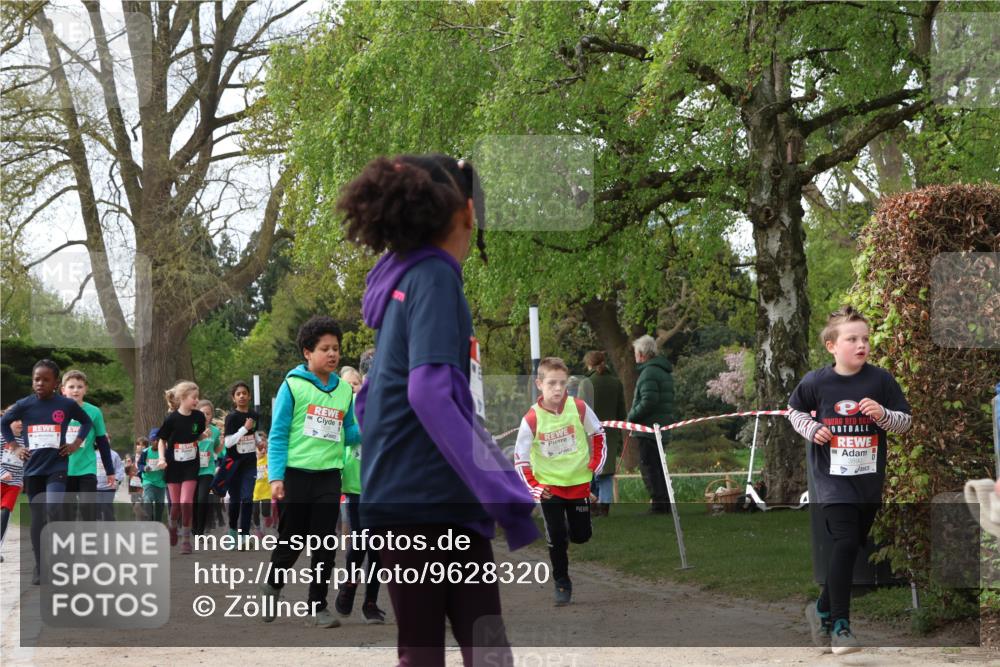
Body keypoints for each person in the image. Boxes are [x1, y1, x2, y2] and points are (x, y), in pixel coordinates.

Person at [340, 153, 538, 666]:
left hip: (403, 499)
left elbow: (369, 401)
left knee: (438, 653)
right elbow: (427, 393)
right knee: (483, 653)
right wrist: (499, 487)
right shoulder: (435, 276)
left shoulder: (403, 282)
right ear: (467, 210)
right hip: (429, 503)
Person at [787, 306, 911, 655]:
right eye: (852, 339)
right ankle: (841, 626)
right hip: (832, 482)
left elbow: (905, 421)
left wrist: (884, 415)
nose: (861, 345)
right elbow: (792, 411)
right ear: (832, 346)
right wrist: (812, 429)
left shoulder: (881, 380)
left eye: (865, 339)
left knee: (852, 544)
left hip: (868, 482)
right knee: (844, 542)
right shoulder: (817, 382)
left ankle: (821, 608)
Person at [259, 316, 359, 628]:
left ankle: (318, 606)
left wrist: (378, 431)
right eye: (325, 349)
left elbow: (350, 429)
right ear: (307, 352)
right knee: (292, 539)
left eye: (336, 349)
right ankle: (272, 586)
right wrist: (275, 477)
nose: (332, 354)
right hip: (295, 475)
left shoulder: (344, 390)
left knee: (325, 543)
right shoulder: (293, 386)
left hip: (330, 475)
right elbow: (277, 435)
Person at [514, 357, 606, 606]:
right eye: (551, 383)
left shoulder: (579, 408)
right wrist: (535, 487)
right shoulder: (531, 420)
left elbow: (598, 433)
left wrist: (595, 465)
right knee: (555, 535)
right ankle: (562, 582)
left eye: (562, 383)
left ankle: (578, 526)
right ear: (539, 384)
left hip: (578, 485)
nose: (557, 388)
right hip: (549, 489)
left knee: (580, 536)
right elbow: (520, 460)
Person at [1, 359, 93, 584]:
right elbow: (4, 423)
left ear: (55, 383)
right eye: (36, 379)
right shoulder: (25, 404)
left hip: (57, 466)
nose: (40, 383)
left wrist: (75, 444)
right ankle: (40, 566)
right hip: (33, 470)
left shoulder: (66, 405)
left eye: (45, 379)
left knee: (52, 508)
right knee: (38, 518)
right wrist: (15, 447)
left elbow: (87, 422)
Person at [334, 365, 386, 624]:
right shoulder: (352, 402)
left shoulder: (396, 404)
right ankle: (351, 583)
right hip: (356, 483)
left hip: (385, 486)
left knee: (378, 548)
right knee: (360, 541)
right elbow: (340, 435)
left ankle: (371, 603)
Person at [155, 381, 208, 554]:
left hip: (191, 464)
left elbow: (196, 435)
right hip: (173, 465)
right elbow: (162, 440)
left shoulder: (199, 417)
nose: (196, 400)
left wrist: (202, 436)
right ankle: (172, 526)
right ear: (183, 398)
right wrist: (162, 458)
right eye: (194, 397)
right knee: (176, 504)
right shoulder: (171, 419)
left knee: (186, 502)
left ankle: (186, 539)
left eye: (197, 397)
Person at [627, 335, 675, 514]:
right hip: (661, 426)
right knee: (659, 467)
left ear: (641, 354)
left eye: (635, 353)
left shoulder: (648, 372)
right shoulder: (662, 371)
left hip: (649, 429)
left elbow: (649, 401)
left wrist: (632, 416)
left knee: (649, 467)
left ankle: (659, 504)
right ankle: (664, 503)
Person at [61, 370, 115, 522]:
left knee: (88, 508)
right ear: (63, 389)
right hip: (63, 469)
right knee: (66, 512)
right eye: (71, 387)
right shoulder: (57, 410)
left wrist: (109, 470)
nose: (75, 390)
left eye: (79, 386)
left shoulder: (94, 412)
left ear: (86, 389)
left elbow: (103, 442)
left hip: (87, 468)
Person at [578, 350, 626, 517]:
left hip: (589, 434)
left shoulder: (586, 383)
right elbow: (621, 412)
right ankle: (604, 507)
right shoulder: (616, 383)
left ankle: (592, 506)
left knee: (590, 470)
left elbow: (580, 412)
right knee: (606, 471)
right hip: (610, 433)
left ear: (589, 364)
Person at [222, 381, 259, 545]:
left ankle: (245, 534)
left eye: (244, 393)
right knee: (235, 500)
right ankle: (232, 531)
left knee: (248, 498)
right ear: (233, 398)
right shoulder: (232, 417)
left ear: (249, 396)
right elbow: (228, 443)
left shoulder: (253, 415)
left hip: (250, 463)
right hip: (234, 464)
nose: (242, 396)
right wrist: (244, 428)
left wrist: (258, 441)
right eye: (238, 394)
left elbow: (253, 432)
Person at [193, 400, 223, 536]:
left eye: (208, 413)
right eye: (202, 413)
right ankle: (193, 527)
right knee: (192, 500)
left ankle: (200, 531)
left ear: (211, 416)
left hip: (208, 469)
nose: (205, 416)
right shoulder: (193, 427)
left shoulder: (215, 431)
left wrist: (222, 443)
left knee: (202, 498)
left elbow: (216, 450)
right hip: (192, 469)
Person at [0, 411, 24, 563]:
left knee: (5, 513)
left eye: (23, 419)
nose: (20, 422)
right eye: (16, 420)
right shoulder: (2, 437)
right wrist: (2, 472)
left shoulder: (26, 440)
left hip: (14, 483)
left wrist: (21, 478)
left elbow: (27, 461)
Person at [139, 433, 166, 523]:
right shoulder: (145, 452)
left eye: (158, 440)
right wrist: (144, 468)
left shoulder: (164, 452)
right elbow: (140, 464)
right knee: (148, 500)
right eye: (154, 440)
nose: (156, 442)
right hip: (148, 480)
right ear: (151, 440)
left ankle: (157, 522)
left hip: (160, 481)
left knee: (160, 505)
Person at [250, 432, 271, 539]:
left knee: (265, 512)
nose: (263, 450)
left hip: (267, 490)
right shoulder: (251, 460)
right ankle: (258, 529)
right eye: (260, 448)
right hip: (255, 490)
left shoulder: (270, 458)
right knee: (255, 511)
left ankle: (264, 525)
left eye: (265, 448)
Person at [95, 447, 124, 521]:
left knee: (106, 507)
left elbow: (120, 469)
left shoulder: (114, 455)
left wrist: (117, 480)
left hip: (109, 487)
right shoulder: (92, 454)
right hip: (95, 487)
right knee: (96, 508)